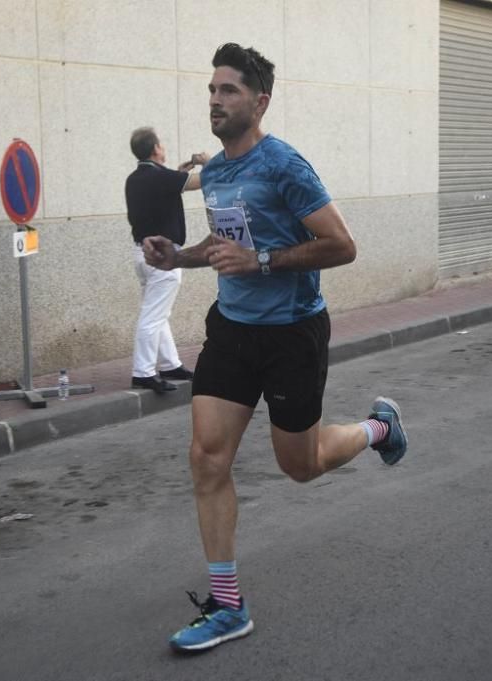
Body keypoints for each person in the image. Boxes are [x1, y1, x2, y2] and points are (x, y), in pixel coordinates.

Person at [143, 43, 408, 652]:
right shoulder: (214, 172)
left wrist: (263, 260)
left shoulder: (285, 165)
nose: (215, 99)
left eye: (228, 91)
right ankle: (228, 605)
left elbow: (342, 245)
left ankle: (378, 429)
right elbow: (227, 237)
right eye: (211, 90)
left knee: (302, 465)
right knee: (207, 457)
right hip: (232, 330)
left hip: (292, 333)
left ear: (258, 102)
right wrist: (181, 256)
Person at [125, 128, 208, 393]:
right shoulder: (161, 178)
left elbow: (166, 186)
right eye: (161, 144)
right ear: (155, 149)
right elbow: (202, 181)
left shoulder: (135, 179)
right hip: (164, 255)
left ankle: (171, 364)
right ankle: (143, 372)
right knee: (152, 315)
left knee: (159, 312)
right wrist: (209, 162)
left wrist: (178, 172)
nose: (164, 147)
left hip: (142, 253)